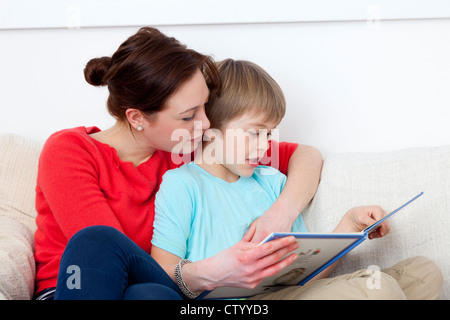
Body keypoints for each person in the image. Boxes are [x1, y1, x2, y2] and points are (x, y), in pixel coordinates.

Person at [33, 27, 323, 300]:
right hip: (75, 288)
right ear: (137, 118)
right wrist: (209, 272)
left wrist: (281, 212)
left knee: (149, 295)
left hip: (154, 288)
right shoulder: (70, 151)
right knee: (97, 241)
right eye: (189, 115)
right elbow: (108, 254)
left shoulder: (191, 145)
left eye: (204, 106)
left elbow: (305, 156)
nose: (206, 122)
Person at [150, 59, 443, 300]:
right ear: (211, 128)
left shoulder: (273, 182)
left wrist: (349, 226)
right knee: (377, 290)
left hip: (292, 294)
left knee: (426, 272)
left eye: (270, 134)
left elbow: (305, 275)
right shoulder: (182, 185)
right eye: (255, 133)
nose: (265, 147)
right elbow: (161, 272)